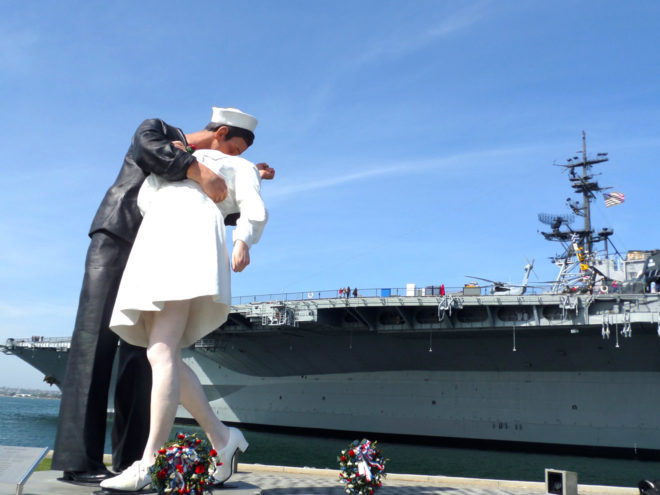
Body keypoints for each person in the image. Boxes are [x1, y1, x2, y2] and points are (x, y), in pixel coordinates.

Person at [52, 107, 272, 484]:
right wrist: (202, 169)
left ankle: (134, 459)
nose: (234, 158)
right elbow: (149, 151)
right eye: (234, 149)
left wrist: (243, 180)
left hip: (164, 247)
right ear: (219, 132)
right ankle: (80, 459)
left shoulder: (214, 162)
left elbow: (212, 204)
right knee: (95, 342)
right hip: (120, 237)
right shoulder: (158, 130)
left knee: (148, 358)